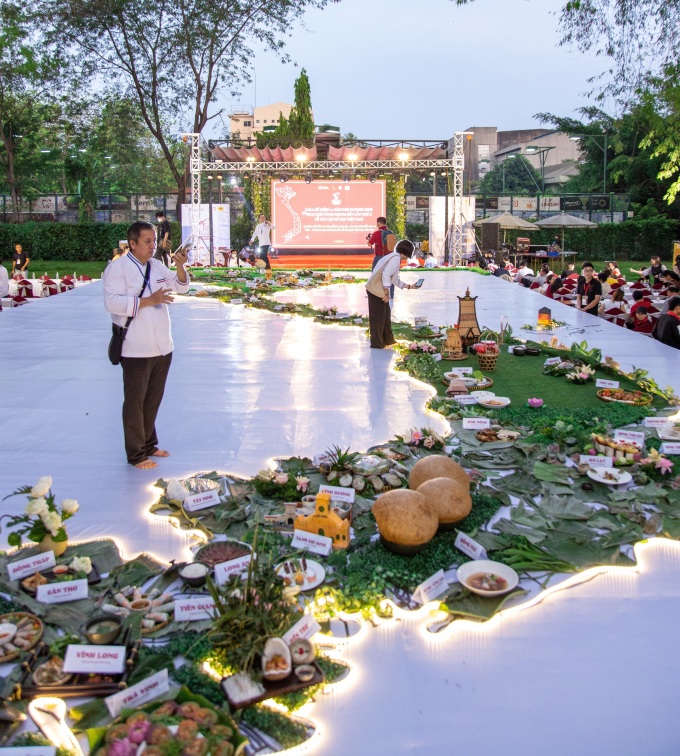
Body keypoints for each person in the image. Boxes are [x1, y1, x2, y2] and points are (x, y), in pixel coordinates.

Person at [103, 220, 190, 469]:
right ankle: (136, 454)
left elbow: (180, 286)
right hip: (136, 347)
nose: (153, 246)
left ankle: (149, 444)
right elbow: (112, 303)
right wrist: (148, 301)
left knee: (153, 399)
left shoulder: (156, 265)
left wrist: (180, 266)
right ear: (132, 243)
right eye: (147, 241)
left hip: (162, 345)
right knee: (135, 402)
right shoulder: (118, 268)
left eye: (154, 241)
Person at [366, 239, 415, 349]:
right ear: (406, 251)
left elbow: (394, 279)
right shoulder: (395, 258)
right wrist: (386, 293)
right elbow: (386, 275)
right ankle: (377, 343)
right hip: (375, 290)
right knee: (378, 318)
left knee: (385, 316)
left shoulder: (395, 257)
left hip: (377, 289)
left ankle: (388, 340)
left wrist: (409, 286)